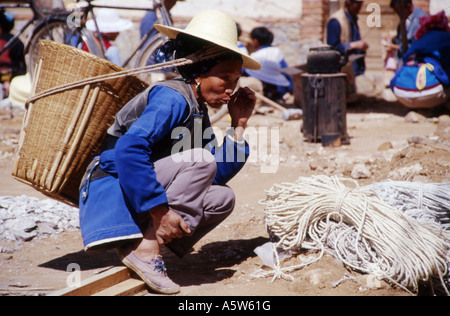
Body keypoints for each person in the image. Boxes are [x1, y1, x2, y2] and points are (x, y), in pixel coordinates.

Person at [78, 10, 262, 295]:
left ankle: (146, 244)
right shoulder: (172, 97)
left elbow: (217, 173)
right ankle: (148, 249)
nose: (231, 89)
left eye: (236, 80)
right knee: (200, 160)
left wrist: (239, 123)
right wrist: (160, 212)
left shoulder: (196, 107)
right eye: (224, 77)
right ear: (198, 73)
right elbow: (129, 148)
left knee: (223, 198)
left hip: (136, 193)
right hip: (112, 189)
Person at [244, 27, 293, 103]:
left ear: (255, 41)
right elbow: (285, 70)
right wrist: (290, 87)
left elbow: (246, 71)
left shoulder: (255, 55)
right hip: (279, 88)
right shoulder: (277, 51)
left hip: (264, 88)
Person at [325, 0, 369, 77]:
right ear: (349, 2)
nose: (360, 7)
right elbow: (331, 49)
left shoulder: (352, 18)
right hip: (341, 72)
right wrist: (352, 45)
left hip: (355, 71)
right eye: (357, 4)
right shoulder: (336, 21)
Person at [0, 10, 25, 100]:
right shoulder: (13, 38)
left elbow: (4, 65)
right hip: (20, 76)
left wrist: (6, 81)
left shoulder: (3, 42)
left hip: (12, 80)